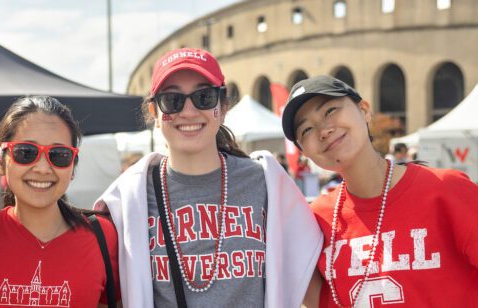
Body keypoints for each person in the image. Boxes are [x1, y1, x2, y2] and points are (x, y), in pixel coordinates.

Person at [282, 75, 478, 307]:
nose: (323, 130)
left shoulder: (446, 191)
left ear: (364, 110)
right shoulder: (316, 219)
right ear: (304, 152)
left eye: (330, 110)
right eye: (306, 129)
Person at [94, 48, 322, 307]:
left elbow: (314, 288)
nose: (189, 111)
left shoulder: (267, 182)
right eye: (172, 100)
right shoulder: (127, 200)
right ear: (155, 114)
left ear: (223, 107)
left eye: (204, 97)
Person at [0, 96, 120, 307]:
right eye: (26, 152)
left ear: (72, 167)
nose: (42, 168)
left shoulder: (103, 237)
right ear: (0, 161)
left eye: (58, 155)